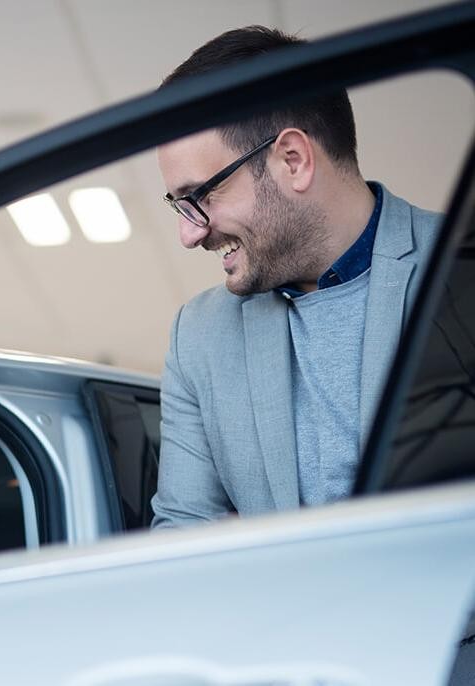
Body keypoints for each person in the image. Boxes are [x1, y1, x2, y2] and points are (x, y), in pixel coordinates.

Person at [150, 26, 442, 528]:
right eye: (179, 205)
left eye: (200, 197)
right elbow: (182, 534)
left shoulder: (459, 264)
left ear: (293, 160)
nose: (188, 234)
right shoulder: (197, 336)